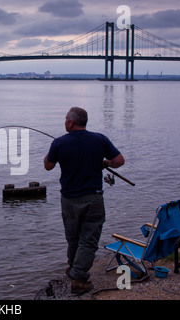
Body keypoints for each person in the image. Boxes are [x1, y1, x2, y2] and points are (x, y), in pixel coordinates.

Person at [44, 107, 125, 295]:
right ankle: (77, 273)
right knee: (88, 240)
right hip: (93, 198)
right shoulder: (100, 139)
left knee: (74, 238)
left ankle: (77, 275)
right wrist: (105, 162)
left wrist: (53, 152)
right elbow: (119, 161)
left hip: (69, 199)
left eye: (66, 120)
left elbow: (48, 166)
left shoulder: (59, 143)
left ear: (71, 123)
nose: (64, 122)